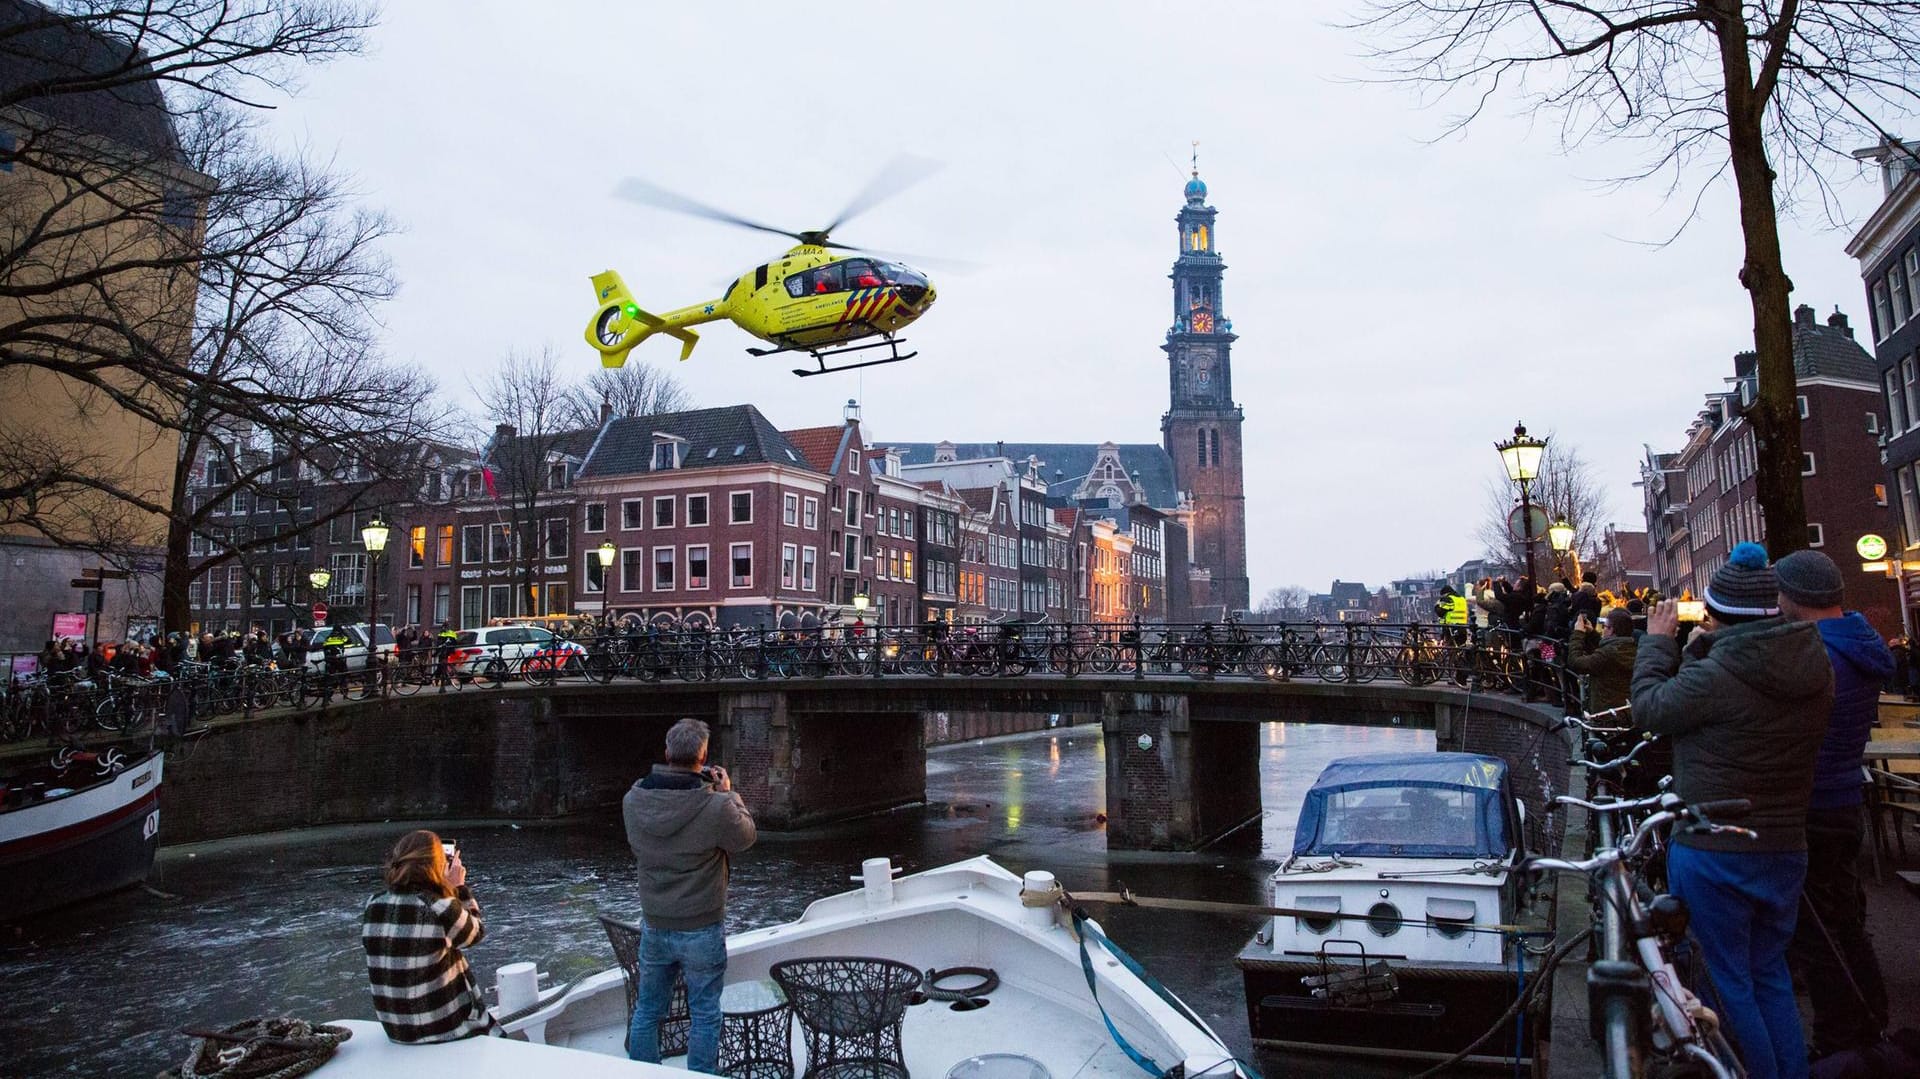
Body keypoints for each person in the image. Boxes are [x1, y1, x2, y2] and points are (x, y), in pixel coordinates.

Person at [1629, 542, 1831, 1079]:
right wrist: (1706, 649)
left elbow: (1649, 710)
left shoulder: (1715, 677)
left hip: (1717, 847)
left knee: (1728, 982)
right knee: (1770, 975)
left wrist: (1657, 645)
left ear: (1721, 618)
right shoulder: (1815, 663)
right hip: (1785, 845)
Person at [1772, 550, 1892, 1060]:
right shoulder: (1861, 641)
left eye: (1780, 592)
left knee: (1819, 934)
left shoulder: (1814, 656)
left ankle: (1839, 1046)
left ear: (1795, 597)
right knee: (1846, 920)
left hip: (1814, 803)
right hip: (1847, 797)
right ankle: (1870, 1023)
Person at [623, 718, 756, 1072]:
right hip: (702, 925)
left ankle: (640, 1071)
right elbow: (745, 838)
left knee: (648, 1009)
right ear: (704, 756)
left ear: (667, 753)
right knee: (704, 1012)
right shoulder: (715, 806)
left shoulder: (633, 800)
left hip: (655, 921)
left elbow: (638, 845)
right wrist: (728, 792)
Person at [360, 830, 488, 1044]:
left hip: (397, 1031)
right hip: (442, 1027)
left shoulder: (373, 903)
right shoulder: (439, 906)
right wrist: (458, 888)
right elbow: (475, 933)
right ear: (437, 864)